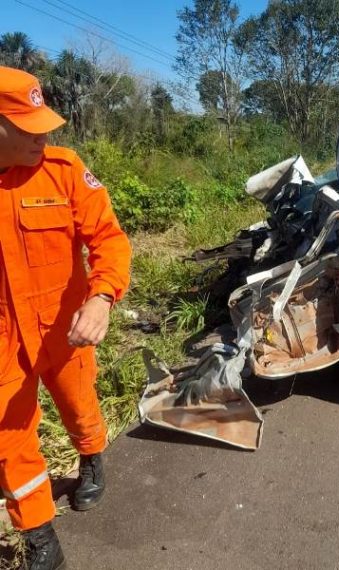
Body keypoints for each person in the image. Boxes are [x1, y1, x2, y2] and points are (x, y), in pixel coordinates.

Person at [0, 66, 131, 569]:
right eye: (28, 128)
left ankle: (92, 456)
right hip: (4, 340)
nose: (43, 136)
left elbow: (109, 239)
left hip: (65, 327)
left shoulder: (64, 169)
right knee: (9, 438)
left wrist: (101, 297)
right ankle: (41, 539)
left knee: (79, 406)